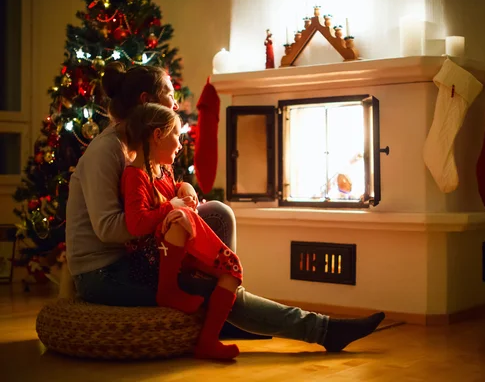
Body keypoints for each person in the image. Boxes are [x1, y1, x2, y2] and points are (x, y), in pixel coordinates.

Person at [65, 62, 384, 356]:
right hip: (106, 271)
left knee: (217, 212)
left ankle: (227, 310)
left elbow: (159, 192)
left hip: (140, 253)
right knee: (209, 284)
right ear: (147, 101)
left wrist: (183, 189)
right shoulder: (106, 152)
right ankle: (322, 329)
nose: (176, 106)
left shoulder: (147, 145)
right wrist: (168, 212)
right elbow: (108, 229)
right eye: (170, 96)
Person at [120, 102, 244, 359]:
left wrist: (184, 187)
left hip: (175, 252)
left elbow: (174, 190)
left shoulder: (163, 171)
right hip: (151, 260)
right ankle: (167, 290)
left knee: (232, 271)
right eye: (176, 135)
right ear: (158, 136)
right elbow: (135, 224)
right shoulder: (135, 175)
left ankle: (209, 340)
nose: (180, 144)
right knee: (178, 218)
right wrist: (170, 207)